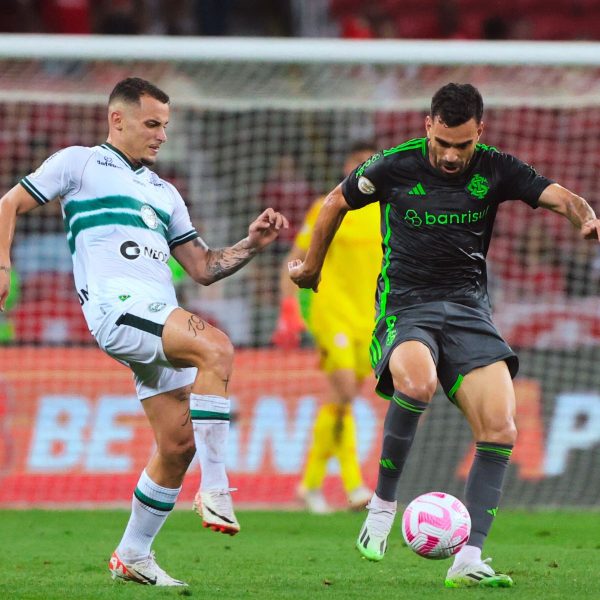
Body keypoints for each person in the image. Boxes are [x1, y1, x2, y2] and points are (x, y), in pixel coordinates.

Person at [289, 83, 600, 588]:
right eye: (444, 143)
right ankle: (382, 506)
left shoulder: (497, 167)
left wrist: (586, 219)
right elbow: (334, 203)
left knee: (501, 428)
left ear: (480, 132)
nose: (453, 156)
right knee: (416, 383)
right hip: (405, 307)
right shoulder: (393, 165)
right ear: (428, 125)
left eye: (464, 145)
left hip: (468, 310)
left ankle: (469, 558)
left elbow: (559, 196)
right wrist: (310, 269)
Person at [0, 77, 288, 587]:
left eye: (165, 127)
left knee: (178, 443)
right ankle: (217, 489)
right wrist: (2, 266)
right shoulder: (79, 163)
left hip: (157, 314)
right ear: (119, 119)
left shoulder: (165, 192)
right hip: (117, 308)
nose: (161, 135)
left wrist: (252, 243)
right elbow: (9, 205)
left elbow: (202, 266)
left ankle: (133, 554)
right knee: (216, 346)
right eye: (152, 124)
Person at [272, 140, 380, 514]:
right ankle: (355, 486)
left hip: (370, 317)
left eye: (369, 163)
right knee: (346, 390)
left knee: (340, 399)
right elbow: (295, 258)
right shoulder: (329, 206)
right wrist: (289, 309)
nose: (363, 170)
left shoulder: (390, 212)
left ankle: (309, 486)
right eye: (356, 164)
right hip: (330, 310)